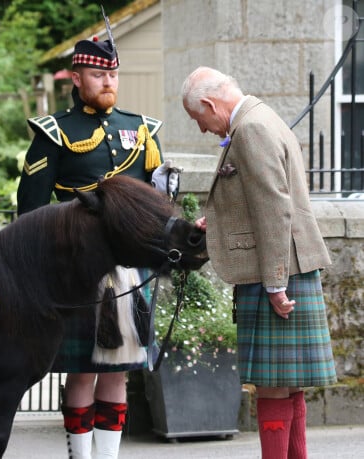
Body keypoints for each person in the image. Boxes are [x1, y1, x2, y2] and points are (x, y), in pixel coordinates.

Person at [17, 35, 176, 459]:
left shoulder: (141, 129)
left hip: (130, 268)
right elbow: (30, 211)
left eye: (112, 73)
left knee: (119, 369)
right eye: (98, 74)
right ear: (76, 77)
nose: (108, 81)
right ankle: (80, 456)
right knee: (83, 369)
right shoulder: (55, 132)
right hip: (78, 270)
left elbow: (157, 201)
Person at [181, 66, 337, 458]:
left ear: (208, 104)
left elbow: (274, 207)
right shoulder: (264, 116)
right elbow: (259, 198)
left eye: (198, 119)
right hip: (289, 264)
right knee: (289, 384)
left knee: (272, 386)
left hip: (276, 269)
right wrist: (215, 222)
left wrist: (275, 283)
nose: (202, 129)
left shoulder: (250, 129)